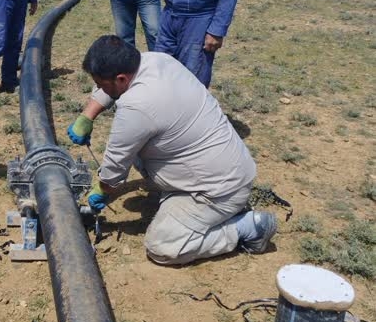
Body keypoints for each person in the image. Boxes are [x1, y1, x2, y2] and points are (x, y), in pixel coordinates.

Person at [67, 36, 276, 266]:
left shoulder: (136, 107)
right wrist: (87, 115)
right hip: (228, 166)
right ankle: (186, 203)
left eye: (101, 86)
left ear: (121, 78)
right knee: (139, 148)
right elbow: (114, 85)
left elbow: (114, 169)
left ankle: (245, 228)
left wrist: (103, 188)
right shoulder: (156, 60)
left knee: (163, 246)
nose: (98, 90)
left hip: (219, 190)